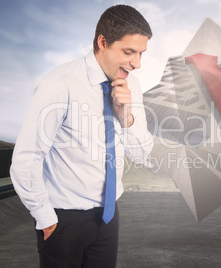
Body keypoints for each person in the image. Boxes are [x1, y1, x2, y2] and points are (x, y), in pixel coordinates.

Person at [10, 5, 154, 268]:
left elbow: (143, 155)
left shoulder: (131, 84)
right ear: (103, 42)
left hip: (109, 217)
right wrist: (45, 217)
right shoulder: (58, 85)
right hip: (63, 220)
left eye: (141, 53)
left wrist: (127, 118)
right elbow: (27, 158)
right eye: (129, 52)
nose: (137, 64)